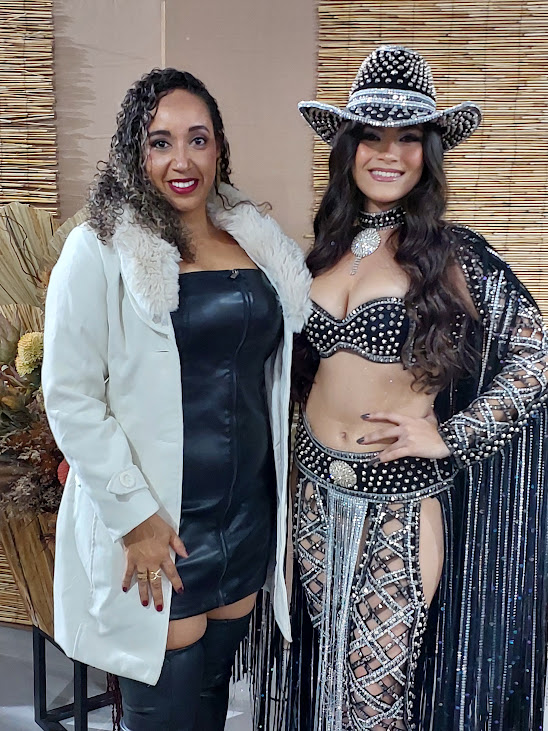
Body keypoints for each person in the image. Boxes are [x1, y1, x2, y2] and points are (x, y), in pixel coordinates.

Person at [42, 68, 310, 731]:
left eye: (198, 139)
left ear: (219, 148)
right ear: (134, 151)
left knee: (212, 701)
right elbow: (71, 396)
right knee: (163, 710)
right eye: (160, 142)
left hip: (245, 516)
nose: (182, 160)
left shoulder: (256, 242)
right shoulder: (99, 248)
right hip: (160, 523)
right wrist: (136, 519)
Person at [288, 45, 548, 730]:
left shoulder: (455, 254)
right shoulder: (323, 247)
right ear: (347, 147)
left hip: (397, 508)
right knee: (328, 680)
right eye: (371, 136)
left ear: (428, 153)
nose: (388, 154)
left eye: (408, 138)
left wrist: (454, 436)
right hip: (313, 493)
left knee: (376, 701)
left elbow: (534, 357)